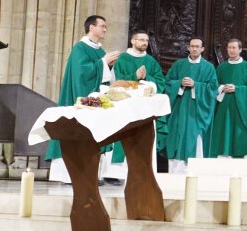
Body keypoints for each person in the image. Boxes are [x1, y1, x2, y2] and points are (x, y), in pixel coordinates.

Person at [46, 15, 120, 183]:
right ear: (91, 28)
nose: (105, 29)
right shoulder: (80, 48)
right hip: (79, 100)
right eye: (102, 26)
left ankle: (91, 174)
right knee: (79, 133)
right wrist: (104, 62)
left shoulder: (100, 50)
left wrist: (107, 63)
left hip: (96, 101)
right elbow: (81, 74)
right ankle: (71, 175)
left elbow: (103, 76)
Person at [104, 30, 167, 183]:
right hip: (125, 105)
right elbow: (115, 82)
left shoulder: (151, 61)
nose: (144, 42)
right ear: (132, 41)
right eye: (140, 39)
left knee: (142, 137)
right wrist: (135, 76)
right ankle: (115, 173)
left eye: (146, 40)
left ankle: (140, 173)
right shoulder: (122, 59)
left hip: (144, 108)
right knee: (121, 135)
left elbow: (160, 81)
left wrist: (147, 78)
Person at [164, 38, 218, 174]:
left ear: (202, 49)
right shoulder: (178, 64)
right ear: (188, 48)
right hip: (179, 109)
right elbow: (168, 82)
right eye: (192, 46)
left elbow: (213, 88)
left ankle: (193, 172)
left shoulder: (208, 67)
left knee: (193, 137)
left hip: (197, 111)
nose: (194, 49)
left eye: (197, 47)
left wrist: (196, 85)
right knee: (177, 136)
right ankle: (175, 171)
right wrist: (180, 84)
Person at [209, 39, 247, 160]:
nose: (231, 50)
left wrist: (237, 89)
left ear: (240, 49)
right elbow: (213, 86)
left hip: (242, 110)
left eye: (234, 48)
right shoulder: (221, 68)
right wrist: (221, 88)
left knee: (240, 136)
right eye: (229, 48)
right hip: (224, 108)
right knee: (224, 134)